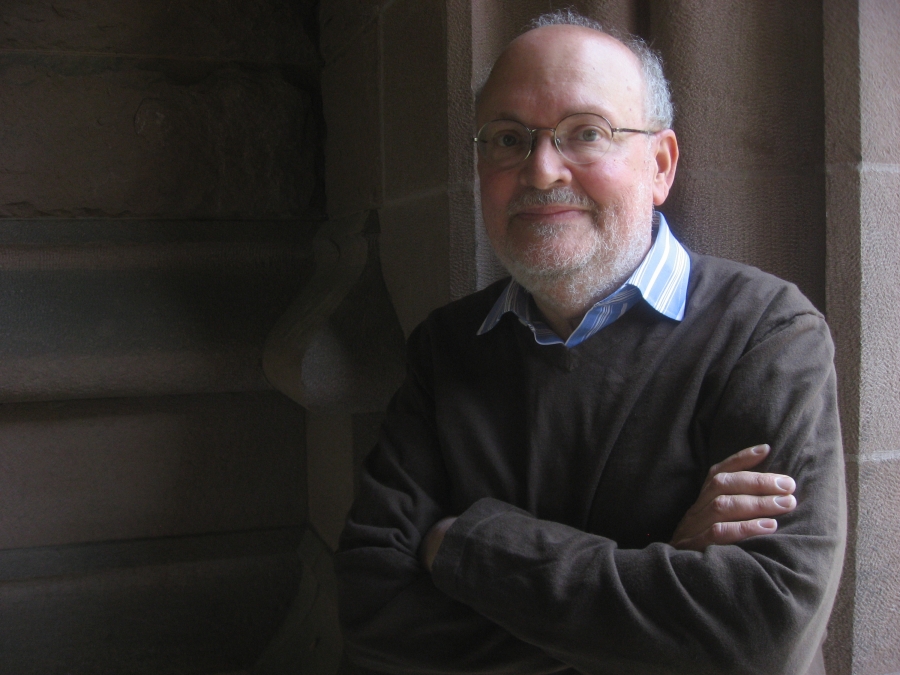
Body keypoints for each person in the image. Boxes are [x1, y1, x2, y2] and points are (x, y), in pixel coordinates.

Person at [335, 10, 845, 675]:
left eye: (587, 133)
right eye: (508, 139)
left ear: (660, 166)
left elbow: (759, 636)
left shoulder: (767, 333)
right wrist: (657, 576)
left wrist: (464, 544)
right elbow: (371, 605)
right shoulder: (447, 347)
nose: (541, 170)